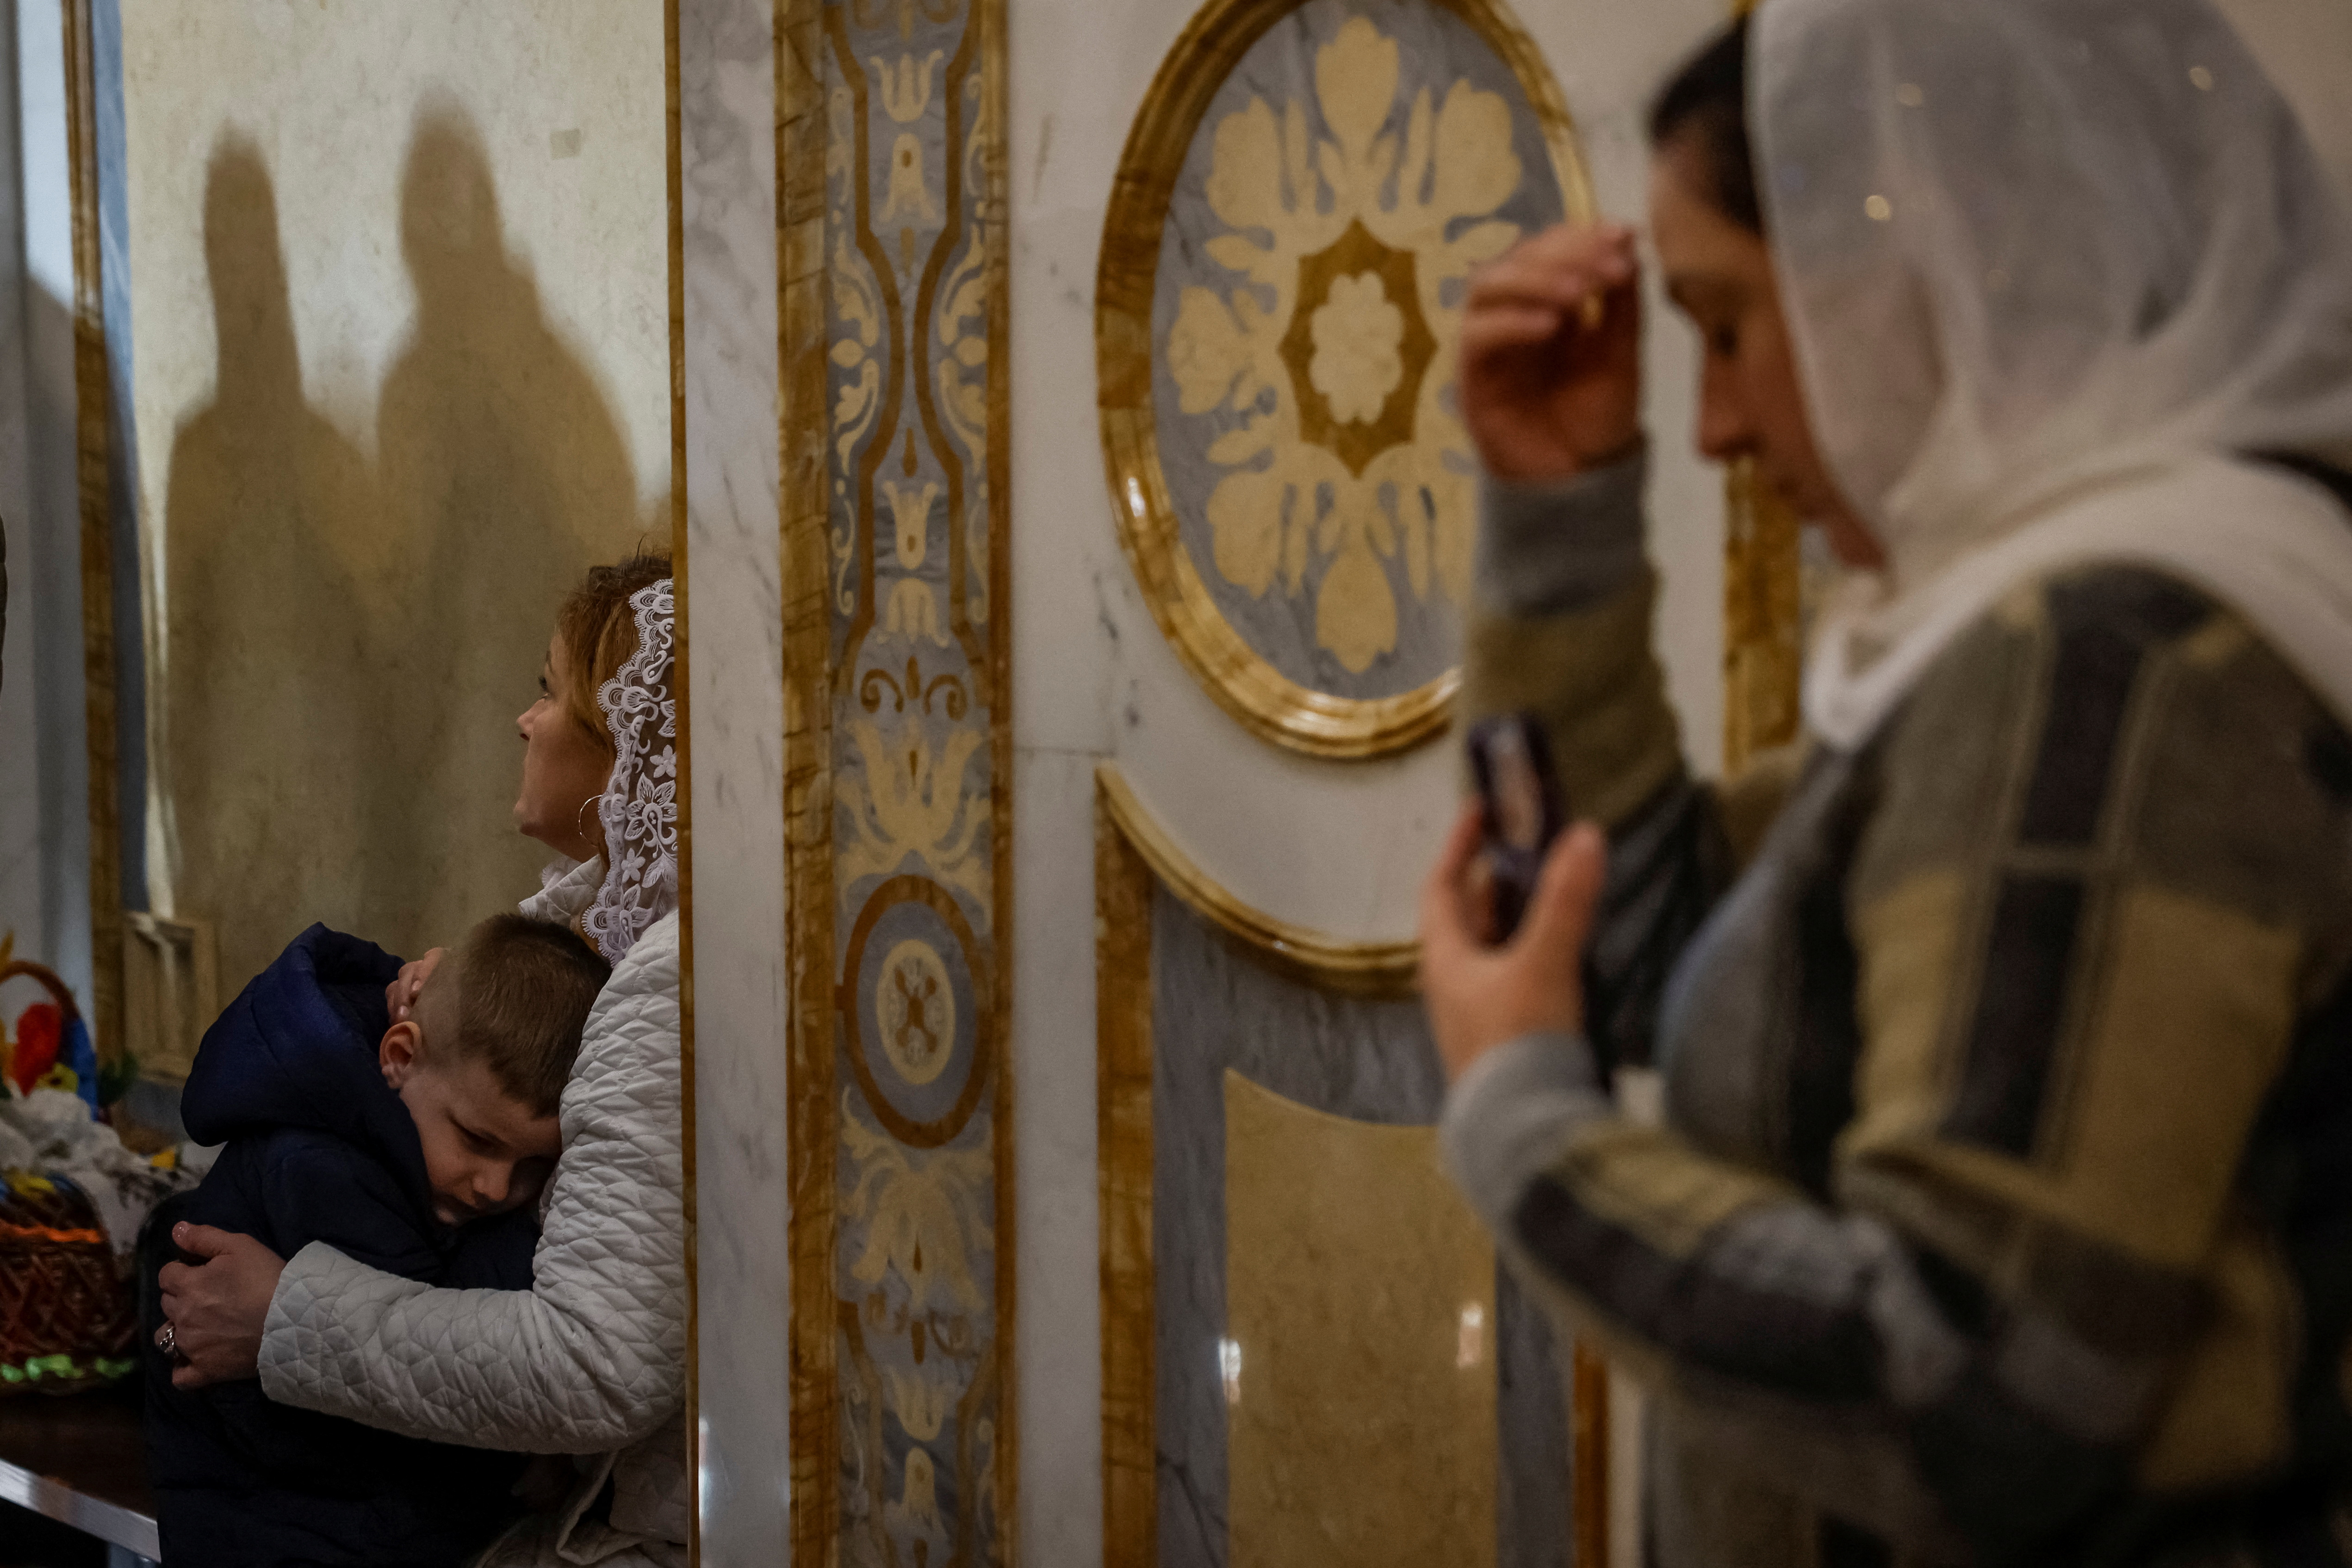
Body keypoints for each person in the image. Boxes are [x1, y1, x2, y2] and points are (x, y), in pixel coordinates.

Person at [1421, 2, 2352, 1564]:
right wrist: (1561, 502)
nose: (1709, 425)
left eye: (1727, 328)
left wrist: (1518, 1123)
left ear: (1919, 286)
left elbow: (1970, 1393)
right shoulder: (2048, 615)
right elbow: (1657, 957)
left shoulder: (2107, 665)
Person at [155, 553, 689, 1568]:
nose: (526, 723)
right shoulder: (607, 936)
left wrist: (284, 1316)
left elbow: (595, 1362)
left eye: (550, 693)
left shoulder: (661, 977)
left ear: (631, 750)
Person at [144, 914, 610, 1568]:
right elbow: (427, 1377)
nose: (494, 1186)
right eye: (477, 1140)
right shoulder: (324, 1170)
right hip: (280, 1532)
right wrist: (522, 1458)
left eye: (534, 1166)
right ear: (398, 1056)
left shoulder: (397, 1133)